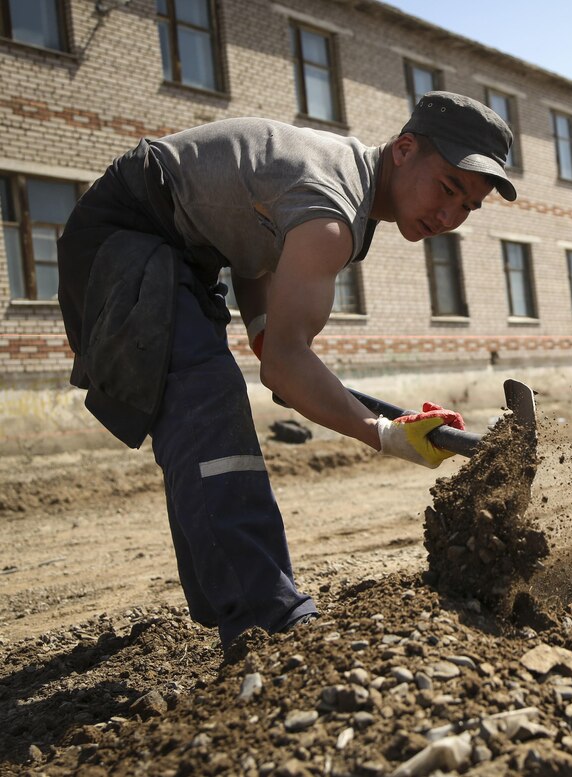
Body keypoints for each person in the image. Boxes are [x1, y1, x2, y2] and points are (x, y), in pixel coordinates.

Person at [57, 91, 517, 647]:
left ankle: (229, 593)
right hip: (127, 235)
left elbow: (250, 246)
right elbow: (287, 366)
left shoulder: (344, 182)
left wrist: (260, 330)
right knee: (207, 400)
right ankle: (268, 622)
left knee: (200, 406)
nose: (449, 216)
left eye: (468, 206)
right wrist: (384, 434)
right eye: (447, 188)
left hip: (174, 246)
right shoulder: (331, 211)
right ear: (404, 149)